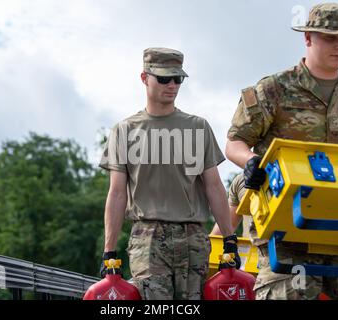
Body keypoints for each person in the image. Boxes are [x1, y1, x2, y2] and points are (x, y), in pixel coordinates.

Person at [225, 3, 338, 299]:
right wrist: (251, 161)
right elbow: (234, 142)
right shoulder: (273, 89)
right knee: (291, 292)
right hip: (285, 223)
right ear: (308, 38)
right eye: (331, 38)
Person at [99, 47, 240, 300]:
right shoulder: (124, 131)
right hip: (147, 237)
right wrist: (109, 251)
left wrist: (230, 239)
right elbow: (117, 193)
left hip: (193, 236)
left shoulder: (198, 127)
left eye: (178, 79)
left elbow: (214, 187)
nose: (172, 85)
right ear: (145, 78)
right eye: (164, 79)